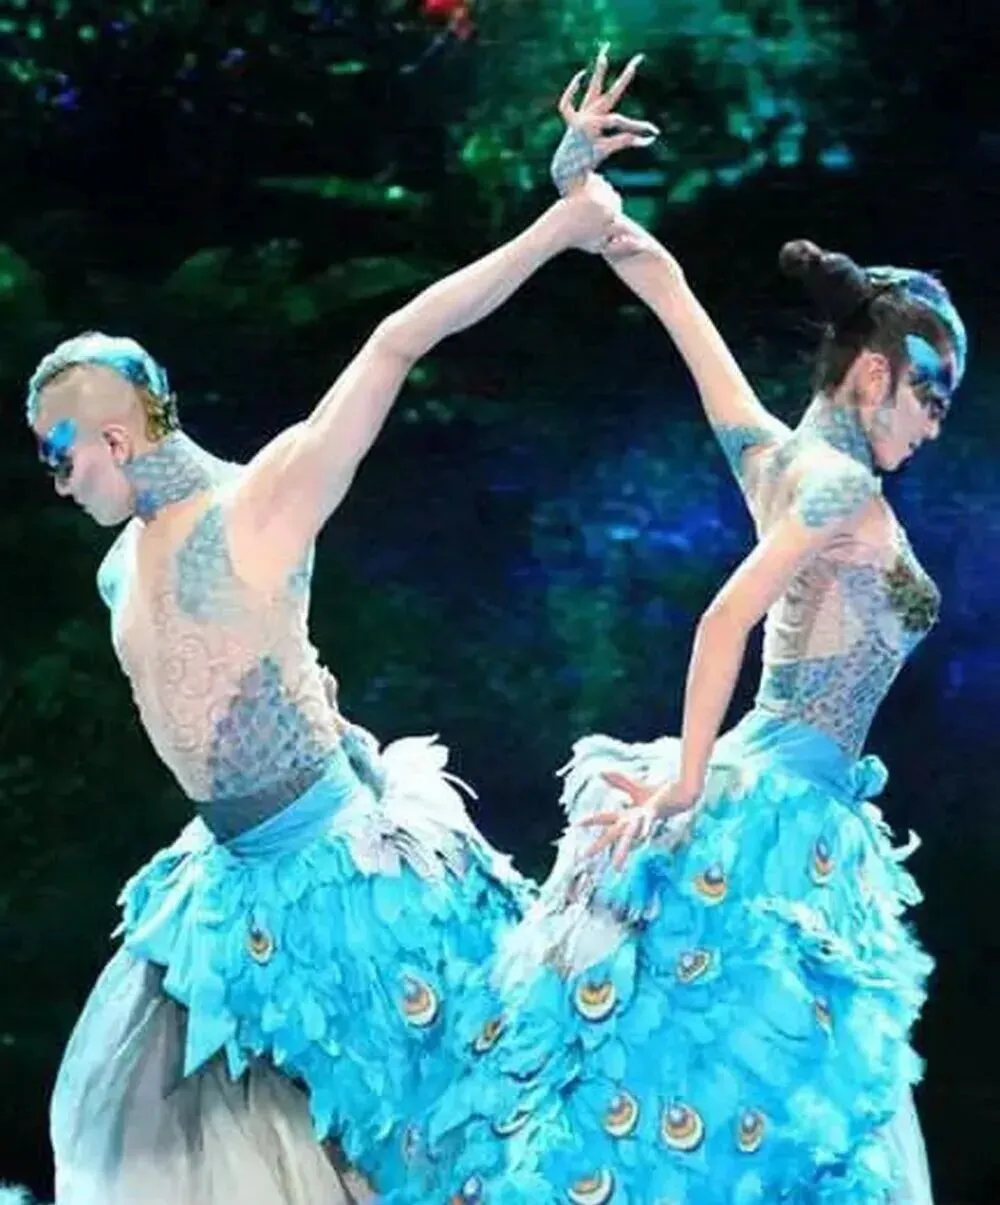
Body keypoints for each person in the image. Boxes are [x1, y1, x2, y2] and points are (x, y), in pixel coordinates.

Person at [26, 172, 635, 1205]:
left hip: (340, 875)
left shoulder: (258, 504)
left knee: (409, 1138)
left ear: (115, 439)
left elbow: (397, 340)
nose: (59, 483)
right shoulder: (118, 564)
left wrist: (562, 224)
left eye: (61, 456)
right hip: (227, 887)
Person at [418, 53, 964, 1205]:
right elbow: (725, 615)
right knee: (746, 1107)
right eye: (931, 397)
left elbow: (660, 280)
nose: (934, 425)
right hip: (774, 808)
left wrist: (580, 188)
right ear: (874, 375)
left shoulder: (775, 453)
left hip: (794, 797)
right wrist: (685, 778)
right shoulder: (834, 488)